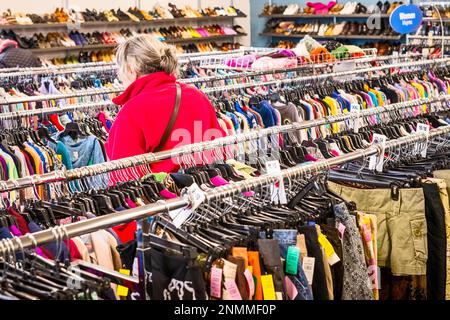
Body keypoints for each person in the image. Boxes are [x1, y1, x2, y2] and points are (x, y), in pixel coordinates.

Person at [105, 34, 225, 173]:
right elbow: (218, 150)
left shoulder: (132, 112)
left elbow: (124, 178)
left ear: (131, 70)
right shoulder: (196, 96)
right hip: (207, 188)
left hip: (162, 193)